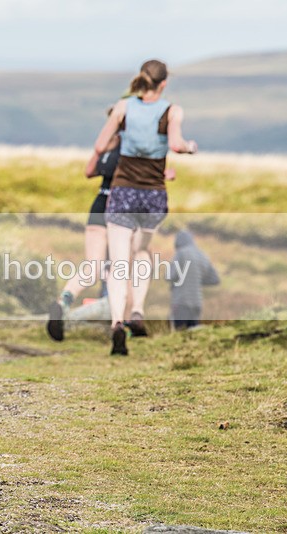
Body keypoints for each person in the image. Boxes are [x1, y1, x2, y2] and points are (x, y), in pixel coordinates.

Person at [91, 59, 198, 356]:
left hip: (123, 191)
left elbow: (100, 146)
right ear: (164, 83)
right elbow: (176, 144)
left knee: (118, 261)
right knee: (141, 253)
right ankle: (137, 310)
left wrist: (121, 138)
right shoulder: (172, 111)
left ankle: (116, 323)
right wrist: (190, 147)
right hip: (153, 196)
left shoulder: (123, 108)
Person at [46, 109, 120, 342]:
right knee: (120, 266)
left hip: (99, 204)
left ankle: (64, 300)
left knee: (93, 265)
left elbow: (89, 170)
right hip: (121, 207)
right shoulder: (134, 148)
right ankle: (117, 321)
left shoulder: (107, 146)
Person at [168, 230, 220, 330]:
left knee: (180, 333)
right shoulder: (202, 255)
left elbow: (170, 275)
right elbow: (215, 279)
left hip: (181, 301)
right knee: (193, 333)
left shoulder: (181, 253)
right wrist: (196, 280)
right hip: (197, 302)